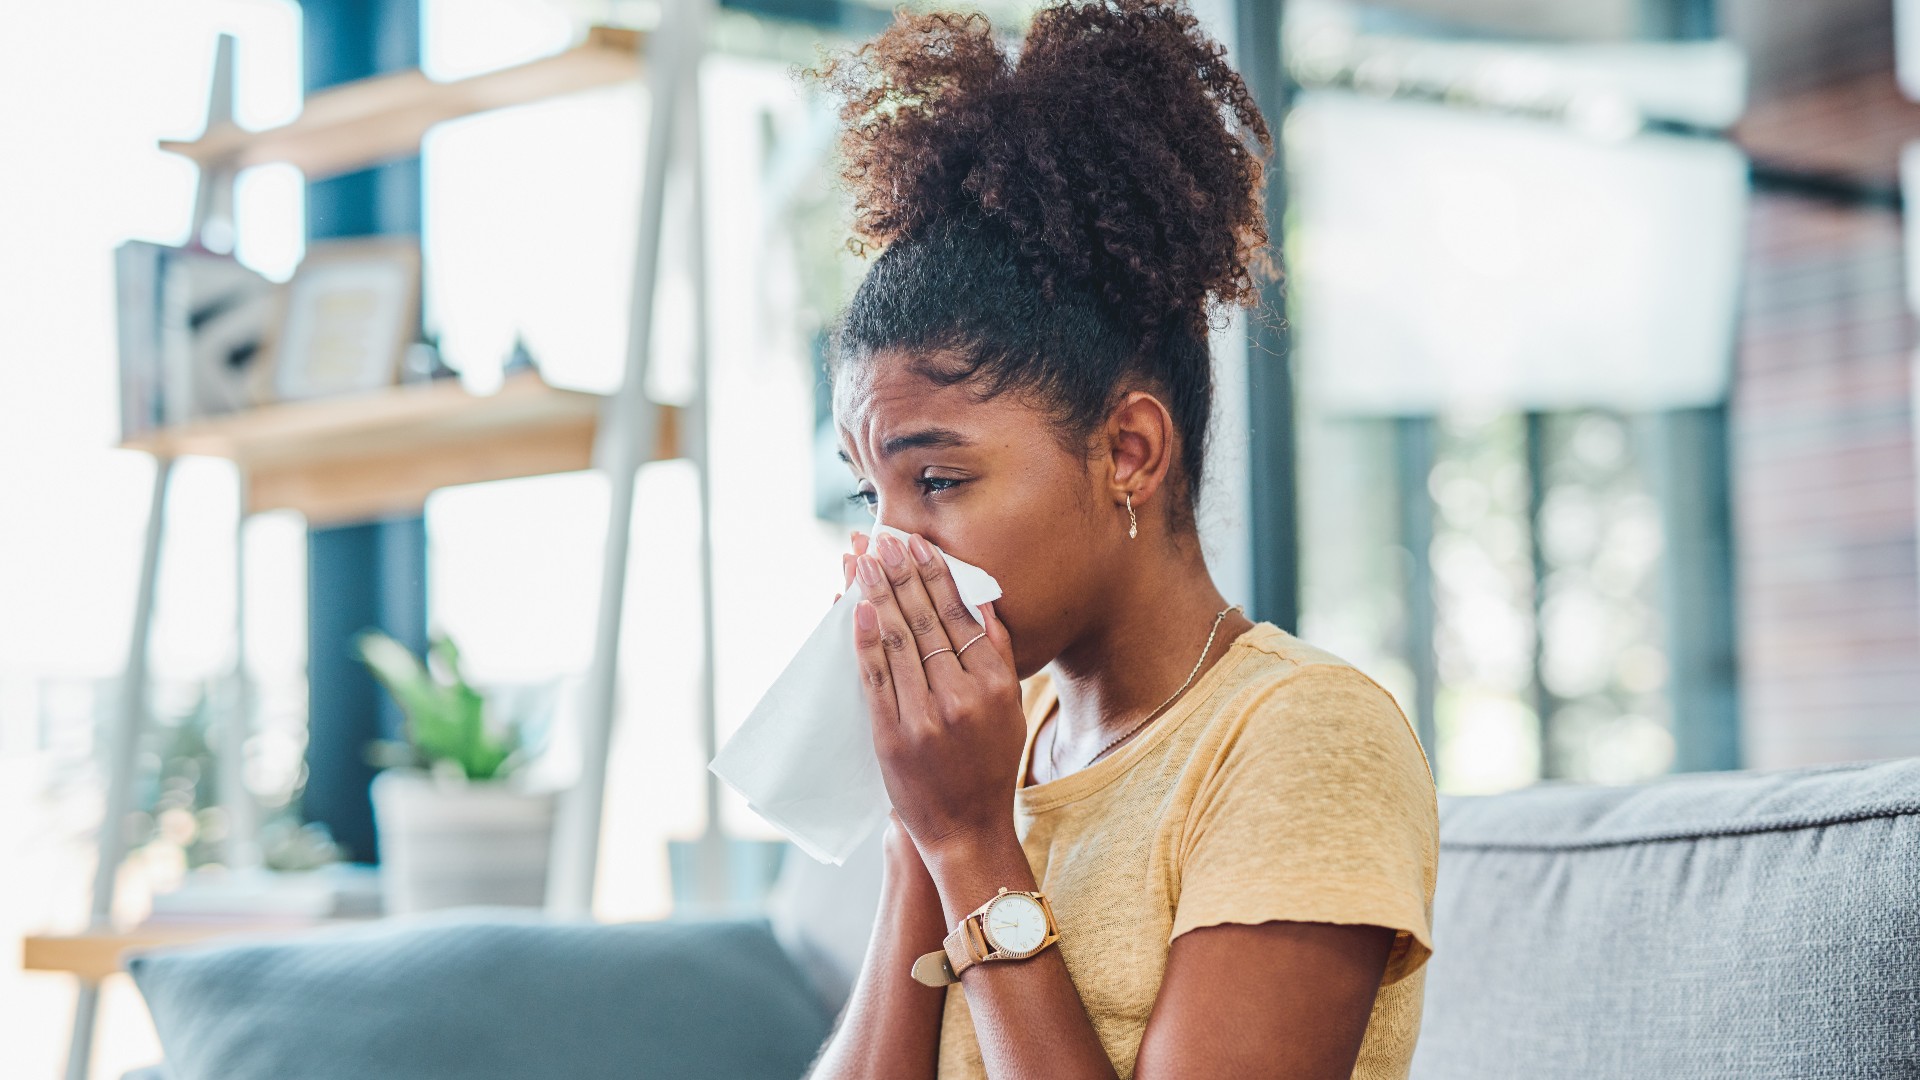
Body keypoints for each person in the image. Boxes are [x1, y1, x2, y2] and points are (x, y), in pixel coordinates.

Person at [799, 2, 1439, 1077]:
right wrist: (921, 829)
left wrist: (972, 846)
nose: (888, 552)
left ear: (1129, 452)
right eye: (869, 495)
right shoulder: (1000, 739)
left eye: (940, 480)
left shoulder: (1297, 739)